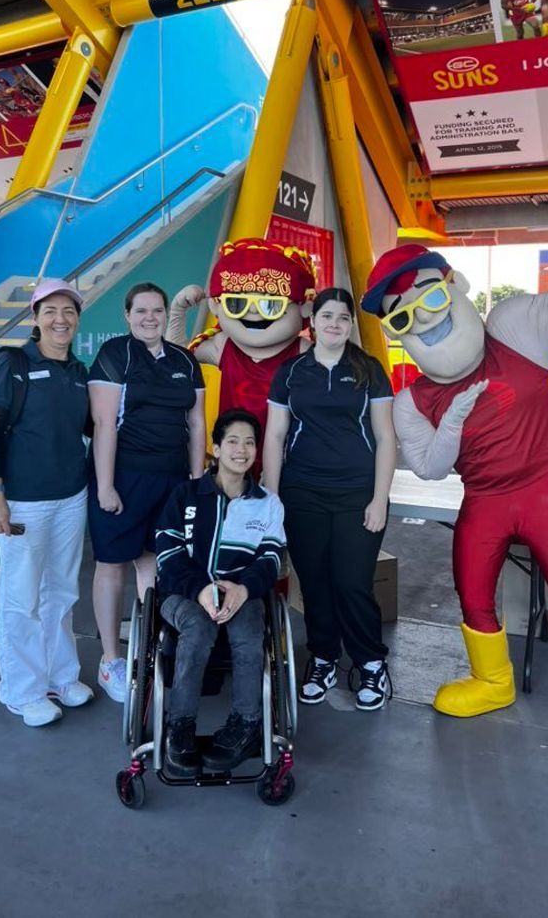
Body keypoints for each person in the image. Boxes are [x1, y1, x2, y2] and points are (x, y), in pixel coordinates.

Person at [361, 228, 548, 781]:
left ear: (454, 285)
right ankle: (492, 680)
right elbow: (429, 468)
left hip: (545, 492)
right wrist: (453, 421)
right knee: (473, 594)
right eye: (402, 317)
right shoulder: (413, 399)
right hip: (483, 501)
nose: (424, 318)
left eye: (431, 296)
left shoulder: (514, 329)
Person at [262, 288, 396, 711]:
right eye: (327, 316)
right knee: (315, 582)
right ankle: (323, 659)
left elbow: (385, 437)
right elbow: (275, 436)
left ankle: (370, 663)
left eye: (342, 317)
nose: (334, 324)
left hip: (358, 493)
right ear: (313, 321)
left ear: (350, 324)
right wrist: (272, 498)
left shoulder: (368, 369)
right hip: (303, 493)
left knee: (352, 582)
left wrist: (380, 499)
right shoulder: (291, 372)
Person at [0, 278, 94, 727]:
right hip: (23, 502)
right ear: (35, 317)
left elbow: (93, 427)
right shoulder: (13, 363)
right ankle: (22, 691)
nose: (60, 319)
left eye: (68, 311)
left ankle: (60, 677)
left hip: (71, 497)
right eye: (50, 311)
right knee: (21, 598)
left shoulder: (79, 371)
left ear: (77, 319)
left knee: (61, 593)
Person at [88, 282, 206, 703]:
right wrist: (106, 486)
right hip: (124, 477)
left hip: (171, 480)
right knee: (111, 564)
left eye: (157, 310)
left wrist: (196, 483)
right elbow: (104, 425)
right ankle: (110, 660)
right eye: (141, 311)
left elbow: (196, 424)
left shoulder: (184, 360)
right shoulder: (115, 354)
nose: (150, 318)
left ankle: (148, 653)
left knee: (153, 565)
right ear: (127, 315)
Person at [155, 408, 286, 777]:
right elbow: (167, 553)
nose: (241, 450)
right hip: (184, 594)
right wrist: (200, 590)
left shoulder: (268, 503)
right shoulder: (185, 495)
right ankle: (180, 725)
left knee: (249, 632)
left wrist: (243, 589)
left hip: (242, 593)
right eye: (233, 441)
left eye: (249, 443)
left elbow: (271, 558)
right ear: (215, 447)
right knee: (198, 627)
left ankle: (245, 724)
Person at [167, 238, 317, 474]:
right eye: (237, 304)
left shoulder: (302, 351)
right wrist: (178, 310)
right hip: (232, 458)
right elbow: (175, 356)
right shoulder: (225, 346)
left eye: (271, 305)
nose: (254, 312)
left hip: (285, 461)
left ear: (304, 308)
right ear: (217, 306)